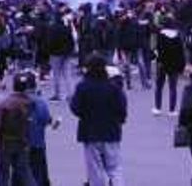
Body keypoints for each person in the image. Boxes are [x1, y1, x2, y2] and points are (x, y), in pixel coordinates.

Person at [70, 54, 127, 186]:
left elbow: (75, 108)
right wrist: (120, 120)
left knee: (95, 169)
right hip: (111, 131)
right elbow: (121, 108)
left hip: (90, 132)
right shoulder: (113, 87)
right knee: (114, 167)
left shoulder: (83, 86)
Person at [0, 69, 35, 186]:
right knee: (25, 173)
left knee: (3, 176)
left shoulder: (5, 104)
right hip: (22, 142)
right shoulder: (31, 103)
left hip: (4, 143)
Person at [24, 70, 58, 186]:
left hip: (20, 143)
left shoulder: (15, 101)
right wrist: (56, 122)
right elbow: (48, 121)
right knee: (39, 172)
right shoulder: (40, 102)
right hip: (38, 143)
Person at [154, 19, 186, 116]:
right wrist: (182, 66)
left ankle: (157, 108)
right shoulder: (178, 37)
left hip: (162, 63)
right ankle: (172, 110)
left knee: (159, 86)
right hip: (174, 64)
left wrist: (158, 60)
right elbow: (181, 53)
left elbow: (158, 50)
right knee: (173, 87)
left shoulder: (161, 35)